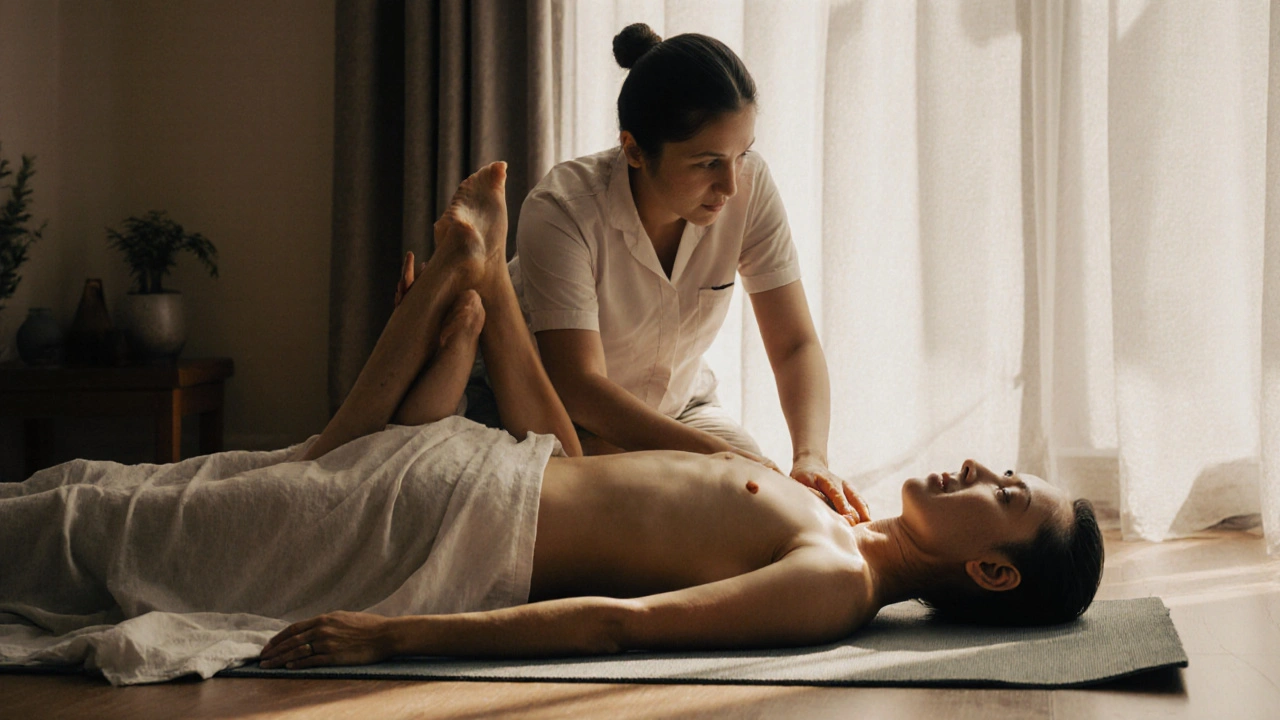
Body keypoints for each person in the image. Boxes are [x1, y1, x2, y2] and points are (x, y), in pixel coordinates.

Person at [249, 162, 1104, 670]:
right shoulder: (838, 525)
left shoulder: (838, 582)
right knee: (313, 462)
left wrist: (392, 638)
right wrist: (804, 457)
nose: (980, 469)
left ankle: (470, 284)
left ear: (992, 572)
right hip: (507, 466)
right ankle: (476, 291)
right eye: (1003, 471)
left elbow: (621, 625)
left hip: (466, 517)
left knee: (281, 480)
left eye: (1005, 495)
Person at [478, 23, 869, 523]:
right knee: (718, 512)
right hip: (564, 421)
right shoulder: (563, 210)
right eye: (707, 163)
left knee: (785, 513)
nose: (730, 185)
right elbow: (579, 386)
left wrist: (810, 457)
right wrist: (722, 460)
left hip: (682, 409)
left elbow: (794, 344)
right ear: (634, 150)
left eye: (741, 154)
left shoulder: (748, 186)